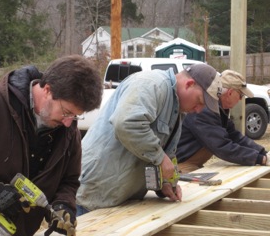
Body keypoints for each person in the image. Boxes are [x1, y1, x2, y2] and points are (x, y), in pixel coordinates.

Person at [0, 55, 103, 236]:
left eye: (76, 116)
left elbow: (69, 181)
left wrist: (63, 205)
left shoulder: (68, 133)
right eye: (66, 112)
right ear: (47, 90)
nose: (69, 123)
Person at [76, 63, 222, 215]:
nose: (198, 110)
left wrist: (165, 183)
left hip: (121, 198)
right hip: (94, 193)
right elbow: (126, 123)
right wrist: (160, 158)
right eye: (199, 101)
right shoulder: (151, 84)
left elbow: (164, 149)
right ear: (189, 84)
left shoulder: (177, 108)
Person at [176, 69, 270, 173]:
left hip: (193, 163)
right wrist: (260, 159)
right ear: (230, 93)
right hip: (181, 165)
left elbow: (235, 136)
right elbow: (221, 146)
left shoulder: (219, 109)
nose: (240, 99)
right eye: (241, 95)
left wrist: (263, 152)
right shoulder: (206, 110)